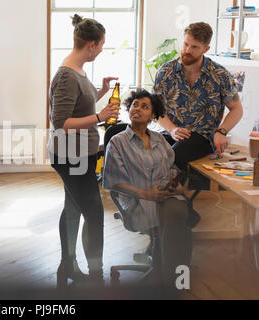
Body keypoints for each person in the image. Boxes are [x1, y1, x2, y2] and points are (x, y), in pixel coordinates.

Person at [47, 14, 120, 287]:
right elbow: (61, 122)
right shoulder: (67, 75)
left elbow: (80, 106)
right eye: (101, 44)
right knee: (94, 212)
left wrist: (99, 90)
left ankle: (68, 265)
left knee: (74, 207)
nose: (101, 49)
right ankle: (95, 275)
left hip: (80, 153)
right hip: (70, 156)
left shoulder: (78, 70)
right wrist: (100, 117)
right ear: (90, 44)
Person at [103, 89, 192, 293]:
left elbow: (172, 169)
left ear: (153, 115)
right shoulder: (118, 142)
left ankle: (172, 281)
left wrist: (176, 185)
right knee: (176, 222)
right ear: (129, 109)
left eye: (145, 106)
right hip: (137, 199)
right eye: (135, 104)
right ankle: (173, 284)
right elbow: (113, 182)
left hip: (164, 195)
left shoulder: (161, 140)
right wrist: (147, 194)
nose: (138, 109)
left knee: (178, 219)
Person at [154, 22, 243, 181]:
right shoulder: (166, 72)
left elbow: (237, 109)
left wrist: (221, 132)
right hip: (171, 133)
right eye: (186, 44)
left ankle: (169, 198)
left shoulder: (220, 75)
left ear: (205, 49)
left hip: (202, 137)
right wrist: (173, 129)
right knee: (148, 153)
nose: (187, 50)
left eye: (194, 47)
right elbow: (157, 110)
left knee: (174, 155)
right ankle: (146, 196)